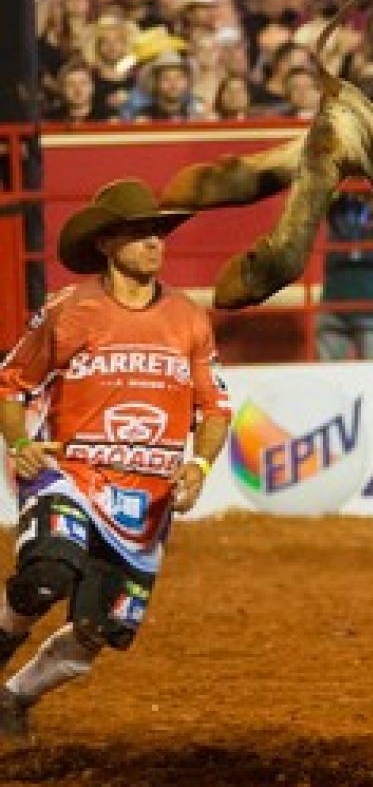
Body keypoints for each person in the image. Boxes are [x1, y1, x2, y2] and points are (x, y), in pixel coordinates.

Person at [0, 179, 231, 741]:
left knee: (98, 629)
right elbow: (12, 386)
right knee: (47, 574)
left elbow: (215, 408)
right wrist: (21, 445)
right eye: (139, 232)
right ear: (106, 244)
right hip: (71, 478)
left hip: (146, 503)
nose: (155, 242)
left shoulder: (189, 320)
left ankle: (14, 698)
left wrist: (198, 468)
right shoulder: (69, 311)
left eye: (158, 232)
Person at [315, 189, 373, 361]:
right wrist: (340, 185)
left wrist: (371, 195)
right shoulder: (337, 200)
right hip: (334, 302)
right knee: (328, 380)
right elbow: (311, 205)